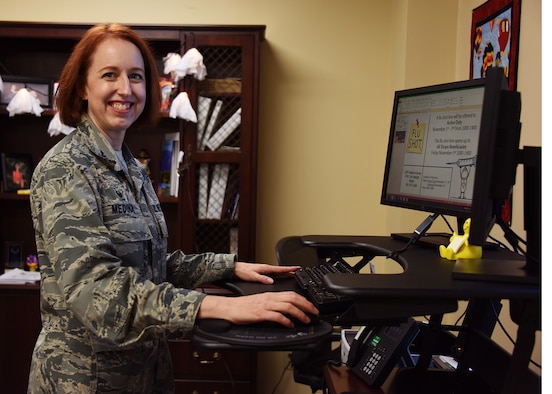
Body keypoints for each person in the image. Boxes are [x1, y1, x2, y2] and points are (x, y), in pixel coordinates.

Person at [28, 23, 318, 393]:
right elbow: (97, 292)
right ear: (83, 87)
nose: (125, 89)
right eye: (109, 75)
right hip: (86, 381)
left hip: (146, 374)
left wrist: (229, 267)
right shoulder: (66, 170)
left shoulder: (130, 166)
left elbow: (151, 265)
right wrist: (215, 307)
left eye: (136, 76)